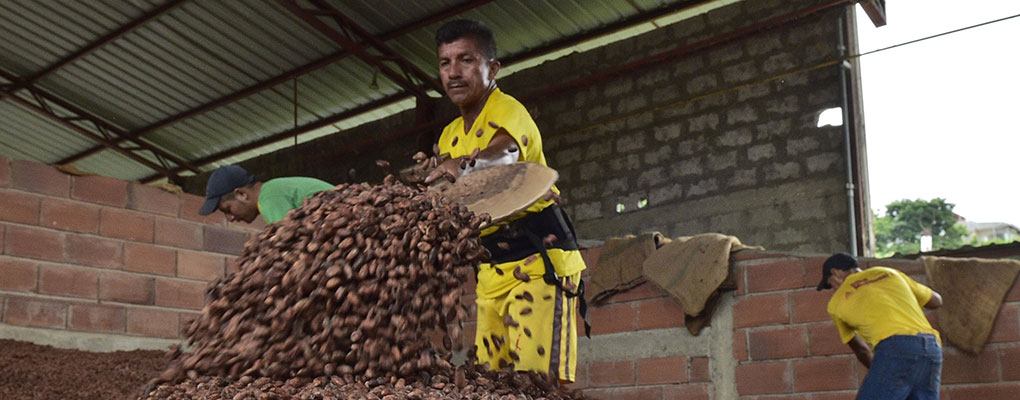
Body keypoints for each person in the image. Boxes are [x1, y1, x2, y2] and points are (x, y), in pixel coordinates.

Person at [426, 19, 588, 382]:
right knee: (490, 383)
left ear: (492, 68)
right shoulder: (450, 135)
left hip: (539, 265)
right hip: (491, 274)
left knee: (540, 384)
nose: (453, 72)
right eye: (445, 62)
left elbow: (504, 156)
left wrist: (460, 167)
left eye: (466, 60)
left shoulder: (507, 109)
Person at [817, 253, 944, 400]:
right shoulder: (888, 272)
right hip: (932, 348)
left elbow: (862, 350)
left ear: (835, 273)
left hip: (895, 347)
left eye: (830, 284)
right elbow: (936, 301)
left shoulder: (835, 303)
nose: (833, 290)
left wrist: (884, 373)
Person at [197, 165, 333, 224]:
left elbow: (287, 238)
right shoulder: (272, 189)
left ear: (241, 194)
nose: (230, 218)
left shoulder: (267, 199)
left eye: (228, 209)